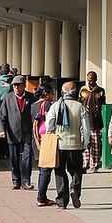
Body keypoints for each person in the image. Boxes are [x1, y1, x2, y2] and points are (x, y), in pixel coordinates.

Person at [46, 81, 90, 209]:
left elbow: (49, 124)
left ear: (62, 93)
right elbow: (86, 128)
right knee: (76, 170)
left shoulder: (55, 106)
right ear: (75, 92)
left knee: (60, 172)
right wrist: (85, 142)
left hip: (60, 144)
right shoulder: (80, 107)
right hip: (75, 145)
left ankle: (62, 200)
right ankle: (75, 189)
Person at [0, 75, 36, 190]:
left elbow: (35, 114)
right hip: (12, 132)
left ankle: (26, 181)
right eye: (14, 86)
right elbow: (2, 115)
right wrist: (2, 130)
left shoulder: (31, 97)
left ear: (24, 86)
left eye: (18, 86)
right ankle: (16, 180)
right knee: (14, 158)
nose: (16, 88)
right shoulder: (8, 98)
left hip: (27, 132)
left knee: (27, 157)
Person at [32, 85, 56, 205]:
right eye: (52, 93)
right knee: (45, 170)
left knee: (42, 169)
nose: (53, 96)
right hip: (46, 140)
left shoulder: (32, 105)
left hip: (36, 140)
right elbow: (50, 122)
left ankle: (42, 196)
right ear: (46, 94)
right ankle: (41, 198)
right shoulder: (46, 105)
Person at [80, 71, 106, 173]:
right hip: (85, 122)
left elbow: (102, 104)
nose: (90, 82)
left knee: (95, 144)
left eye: (92, 80)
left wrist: (95, 95)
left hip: (96, 122)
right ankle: (85, 164)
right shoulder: (83, 90)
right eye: (88, 80)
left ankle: (94, 165)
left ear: (95, 79)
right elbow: (80, 101)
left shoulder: (100, 91)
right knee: (85, 144)